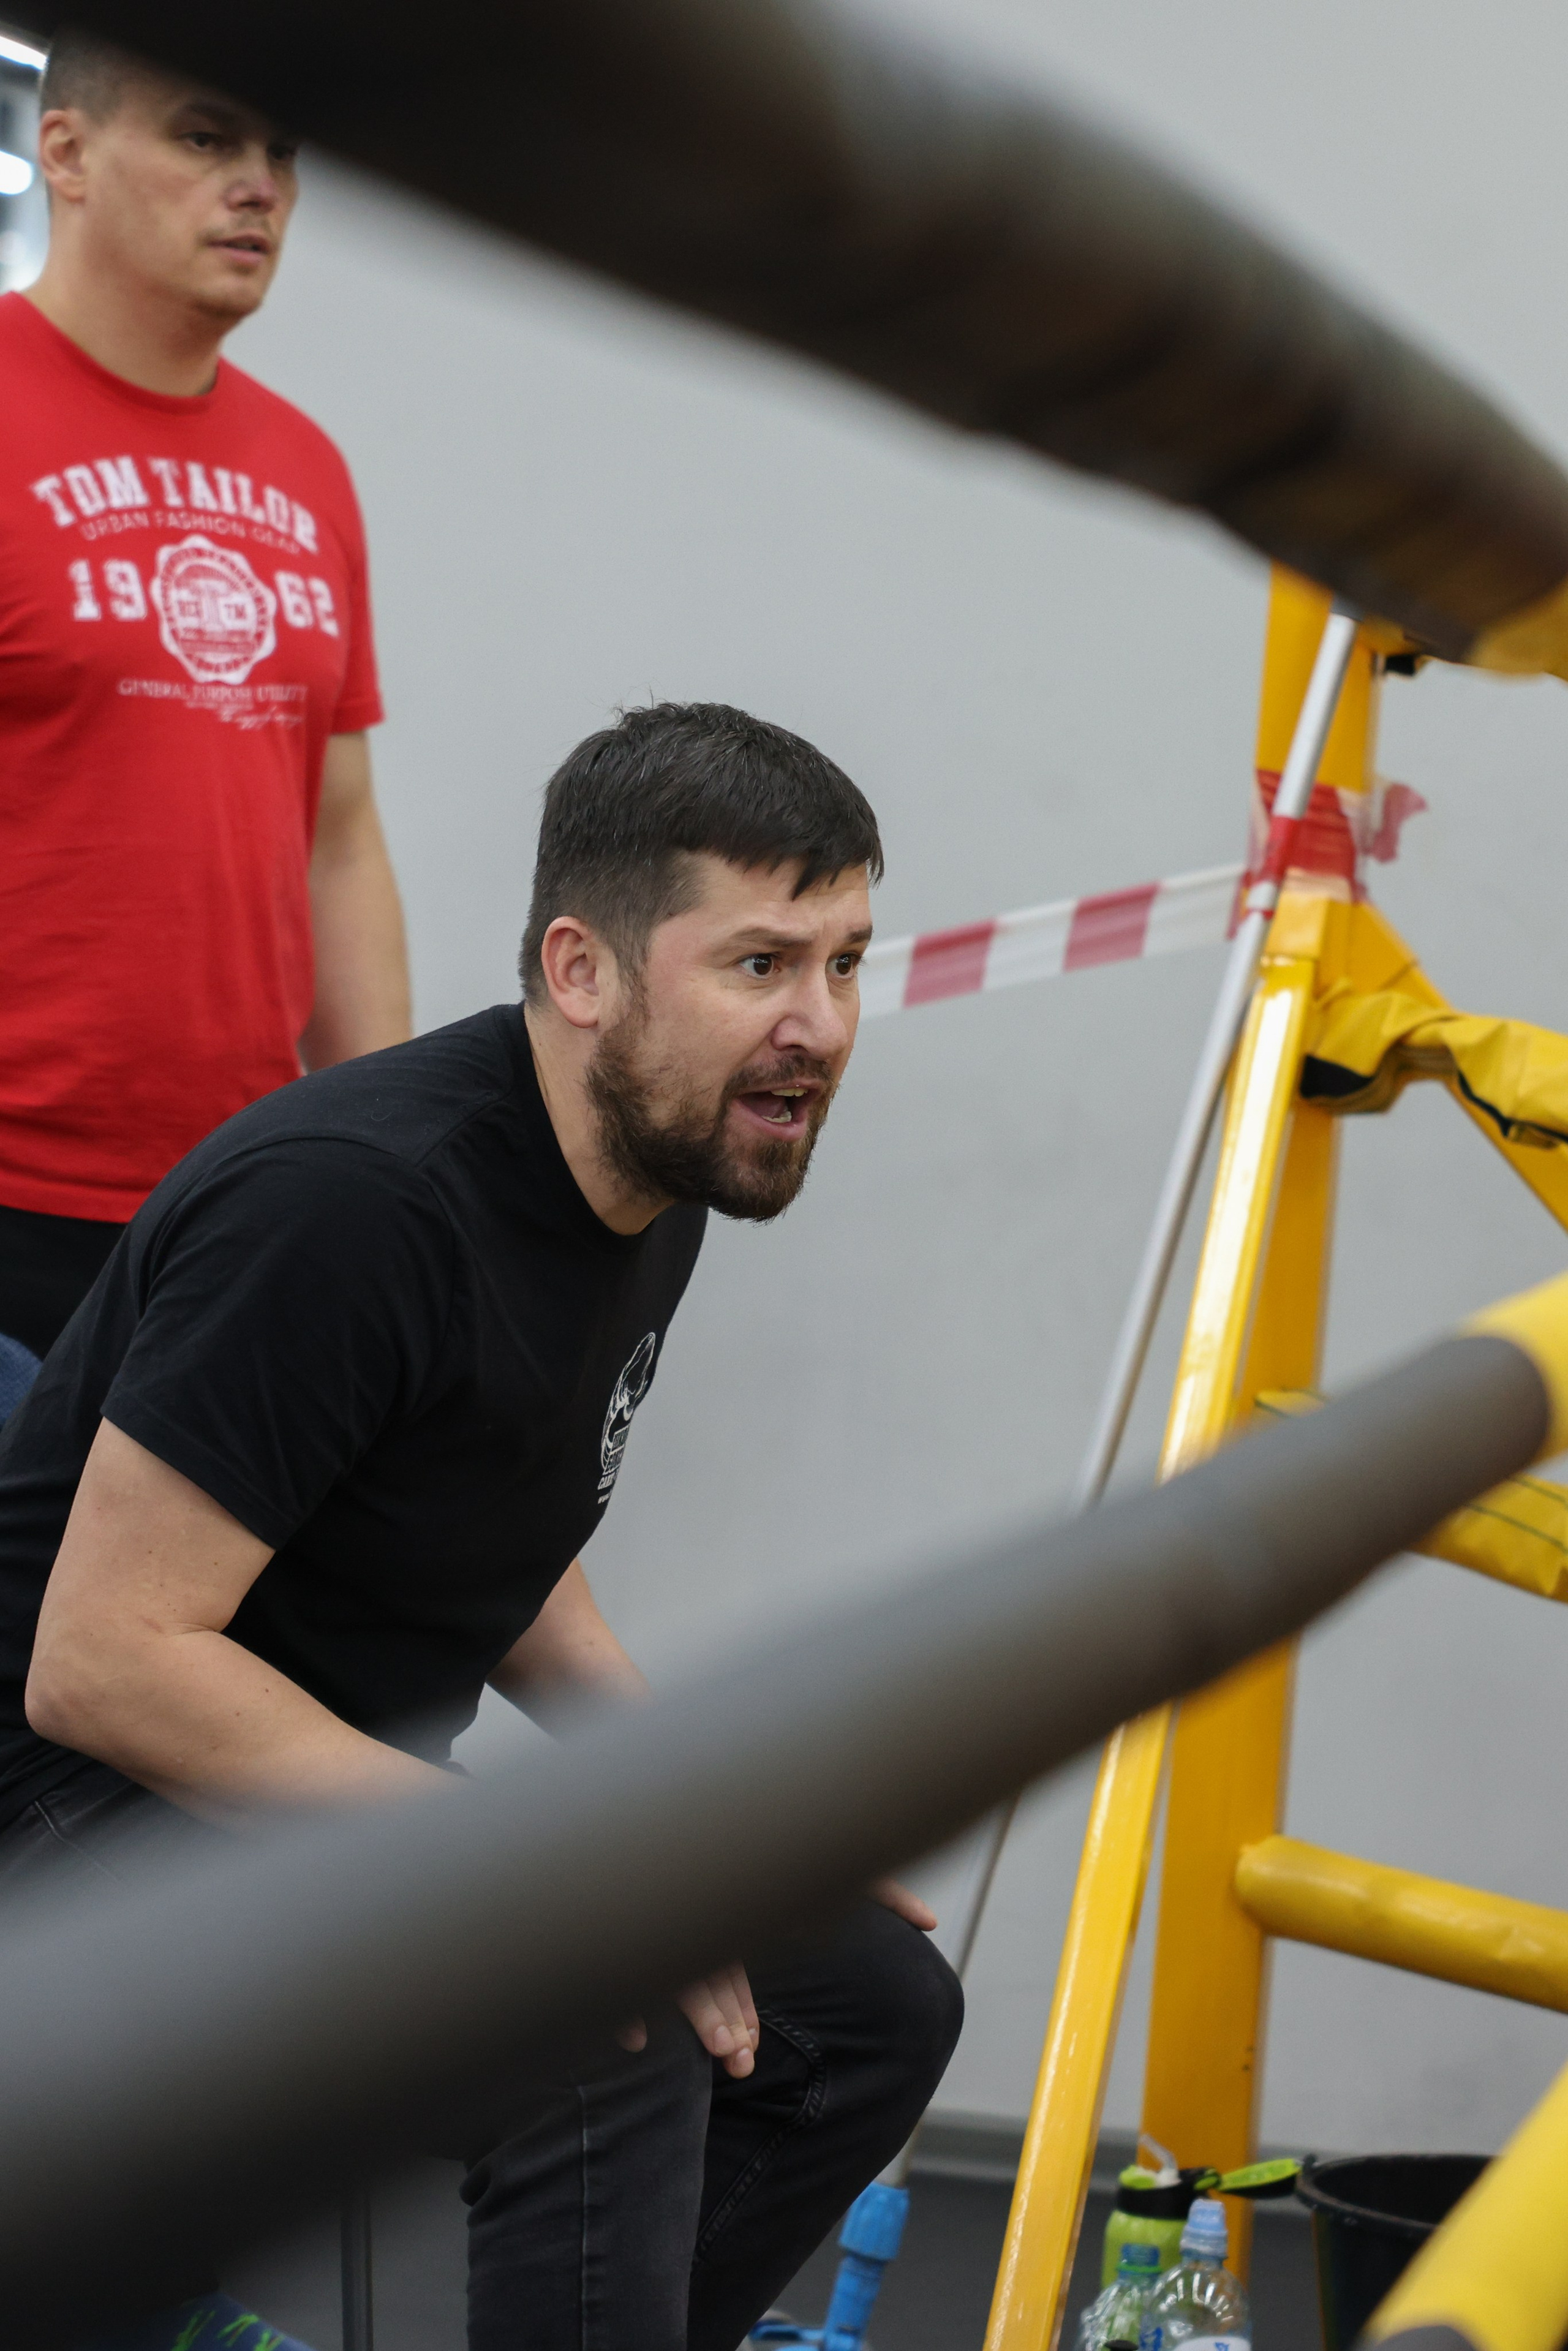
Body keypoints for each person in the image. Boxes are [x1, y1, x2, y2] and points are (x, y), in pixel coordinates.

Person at [0, 703, 963, 2350]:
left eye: (848, 959)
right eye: (759, 965)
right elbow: (97, 1664)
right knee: (606, 2020)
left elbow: (496, 1519)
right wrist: (566, 1884)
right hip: (81, 1834)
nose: (819, 1025)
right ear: (583, 969)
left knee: (867, 2001)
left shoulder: (655, 1163)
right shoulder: (352, 1210)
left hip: (299, 1805)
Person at [0, 29, 410, 1387]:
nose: (260, 187)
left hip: (236, 1203)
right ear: (64, 152)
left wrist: (394, 1151)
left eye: (280, 153)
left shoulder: (309, 468)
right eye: (204, 138)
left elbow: (338, 835)